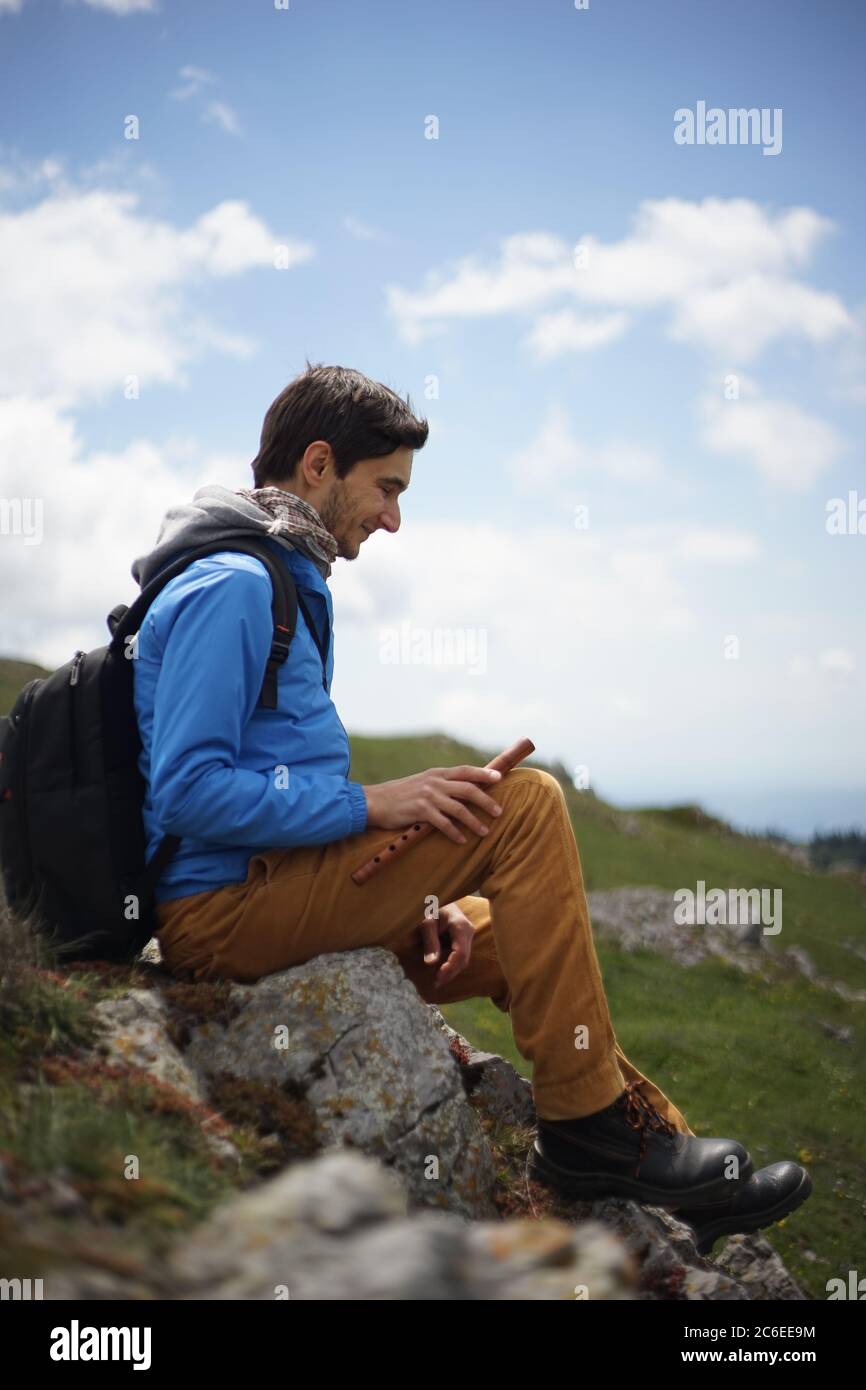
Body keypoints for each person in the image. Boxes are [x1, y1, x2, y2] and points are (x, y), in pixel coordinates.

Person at [129, 361, 811, 1255]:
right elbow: (188, 789)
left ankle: (653, 1148)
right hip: (221, 917)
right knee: (526, 805)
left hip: (273, 893)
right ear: (319, 463)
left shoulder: (282, 573)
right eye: (386, 489)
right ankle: (591, 1134)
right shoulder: (236, 587)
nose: (394, 518)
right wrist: (371, 802)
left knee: (503, 924)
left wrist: (412, 894)